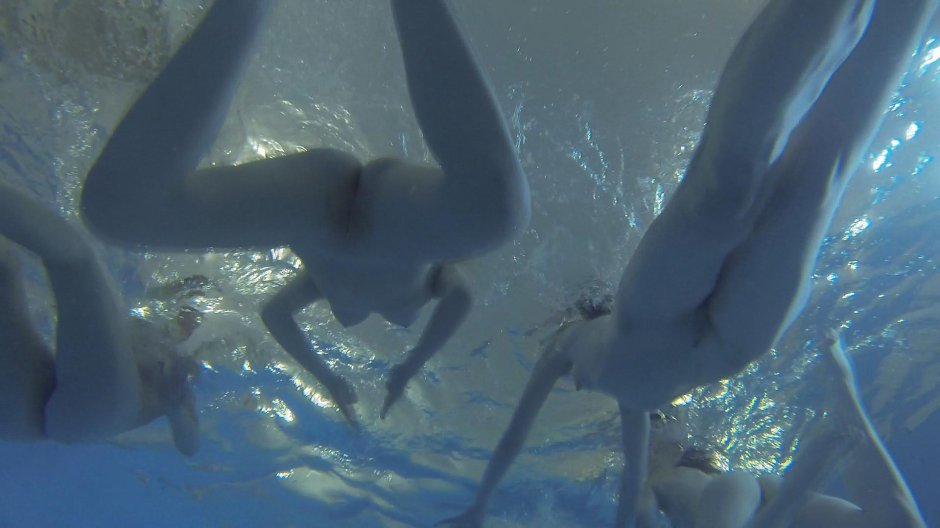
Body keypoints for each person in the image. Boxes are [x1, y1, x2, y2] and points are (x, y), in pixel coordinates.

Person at [437, 0, 938, 526]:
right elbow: (611, 474)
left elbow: (580, 460)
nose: (578, 388)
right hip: (729, 347)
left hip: (659, 321)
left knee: (730, 187)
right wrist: (480, 504)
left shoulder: (575, 352)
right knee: (815, 178)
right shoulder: (623, 394)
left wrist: (482, 503)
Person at [79, 0, 529, 425]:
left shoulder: (322, 287)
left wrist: (326, 376)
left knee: (116, 212)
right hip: (392, 219)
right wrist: (412, 365)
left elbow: (275, 315)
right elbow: (462, 298)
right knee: (497, 213)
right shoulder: (433, 287)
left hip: (316, 211)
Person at [639, 330, 926, 528]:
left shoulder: (690, 482)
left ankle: (843, 393)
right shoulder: (693, 481)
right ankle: (843, 393)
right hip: (755, 500)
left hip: (754, 499)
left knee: (669, 473)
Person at [0, 182, 201, 456]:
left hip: (96, 413)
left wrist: (174, 407)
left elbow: (190, 446)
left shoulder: (181, 362)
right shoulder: (135, 319)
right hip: (24, 415)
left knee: (74, 255)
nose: (190, 315)